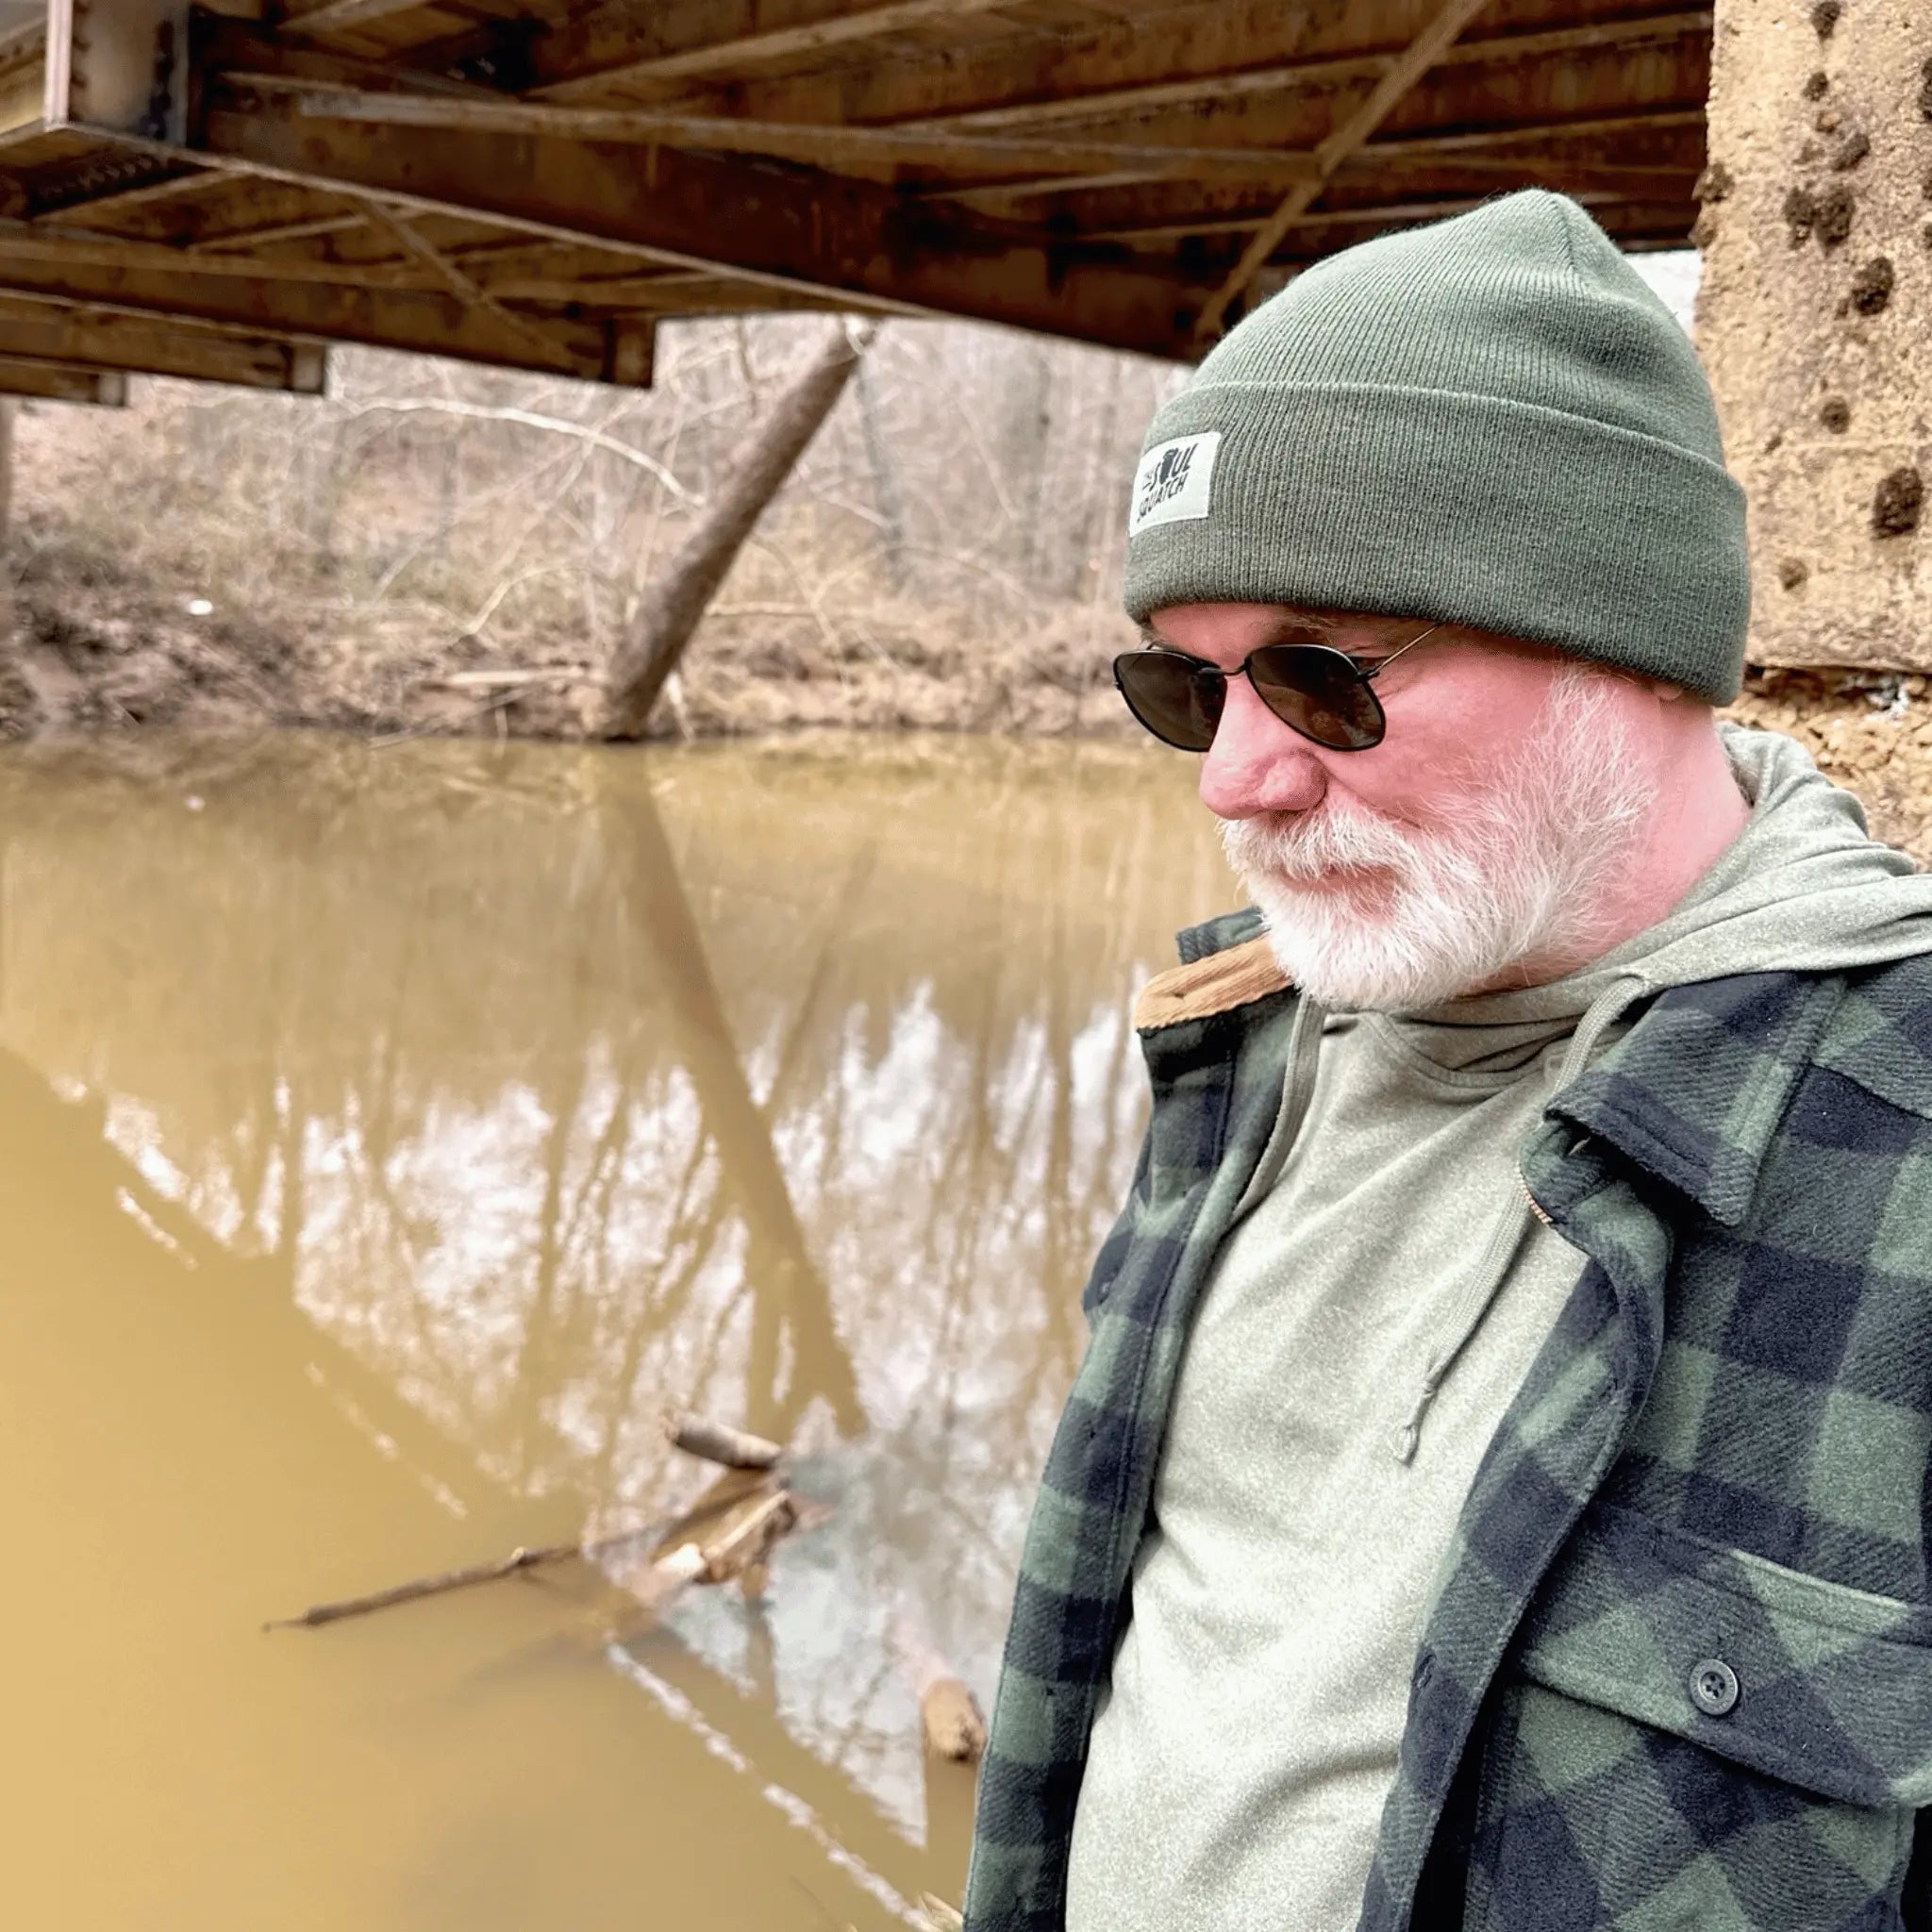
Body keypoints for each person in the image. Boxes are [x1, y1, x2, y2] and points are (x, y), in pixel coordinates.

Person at [960, 190, 1932, 1932]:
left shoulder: (1900, 1144)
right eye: (1189, 691)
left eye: (1322, 679)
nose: (1231, 782)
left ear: (1620, 644)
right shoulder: (1251, 1045)